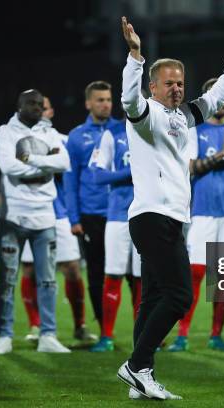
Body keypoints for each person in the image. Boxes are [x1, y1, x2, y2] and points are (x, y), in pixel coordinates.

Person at [116, 16, 224, 400]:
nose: (176, 89)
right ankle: (136, 365)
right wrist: (135, 57)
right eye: (169, 83)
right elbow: (128, 99)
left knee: (154, 298)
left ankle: (142, 378)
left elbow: (216, 98)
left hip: (168, 217)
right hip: (152, 216)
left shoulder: (183, 117)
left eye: (180, 84)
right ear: (152, 86)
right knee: (180, 296)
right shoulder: (144, 115)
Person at [166, 78, 224, 353]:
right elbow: (191, 167)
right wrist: (223, 153)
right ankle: (182, 335)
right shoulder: (195, 127)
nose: (222, 101)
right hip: (203, 209)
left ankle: (216, 335)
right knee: (196, 274)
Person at [0, 89, 71, 355]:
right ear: (20, 105)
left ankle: (48, 334)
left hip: (45, 215)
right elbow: (8, 166)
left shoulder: (49, 132)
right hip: (14, 215)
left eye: (41, 104)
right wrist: (46, 165)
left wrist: (32, 159)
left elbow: (64, 162)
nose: (37, 107)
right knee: (8, 278)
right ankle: (4, 335)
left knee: (48, 280)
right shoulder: (5, 131)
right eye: (32, 103)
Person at [19, 96, 95, 343]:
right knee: (29, 270)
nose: (40, 111)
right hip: (30, 212)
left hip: (60, 213)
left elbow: (73, 175)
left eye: (44, 107)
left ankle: (80, 325)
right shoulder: (17, 141)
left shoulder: (64, 141)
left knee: (72, 269)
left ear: (51, 112)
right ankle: (36, 325)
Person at [65, 81, 119, 334]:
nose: (106, 104)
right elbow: (70, 180)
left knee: (133, 273)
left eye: (108, 99)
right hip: (92, 214)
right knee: (97, 271)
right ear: (88, 103)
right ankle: (104, 329)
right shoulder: (76, 136)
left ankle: (144, 331)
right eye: (100, 100)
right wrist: (74, 218)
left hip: (122, 212)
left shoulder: (123, 129)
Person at [88, 119, 142, 352]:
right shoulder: (112, 134)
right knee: (113, 275)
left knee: (143, 280)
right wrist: (131, 171)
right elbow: (98, 176)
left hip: (146, 215)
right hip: (118, 215)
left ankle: (143, 338)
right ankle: (106, 336)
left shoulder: (155, 130)